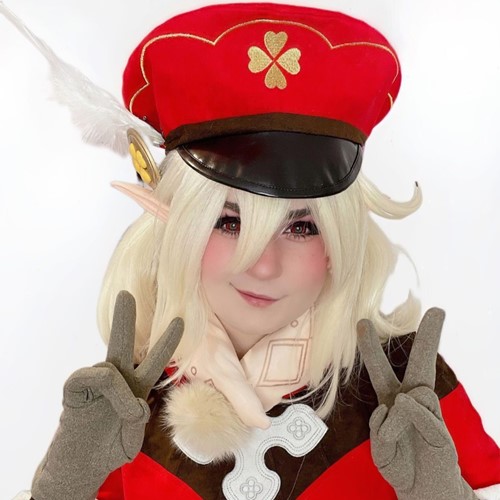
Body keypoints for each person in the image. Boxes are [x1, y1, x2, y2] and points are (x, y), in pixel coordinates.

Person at [3, 2, 499, 499]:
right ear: (178, 229)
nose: (262, 265)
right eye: (229, 222)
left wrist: (443, 493)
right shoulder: (124, 404)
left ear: (339, 242)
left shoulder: (406, 388)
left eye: (301, 227)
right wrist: (63, 488)